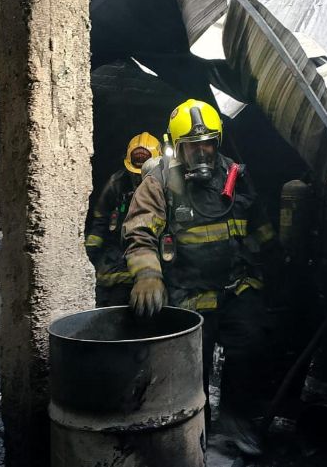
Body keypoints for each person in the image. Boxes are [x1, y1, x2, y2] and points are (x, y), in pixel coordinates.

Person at [123, 99, 275, 455]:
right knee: (193, 366)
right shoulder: (160, 180)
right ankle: (195, 431)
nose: (203, 151)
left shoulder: (236, 176)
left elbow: (259, 226)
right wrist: (148, 276)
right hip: (188, 295)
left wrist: (276, 265)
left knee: (251, 345)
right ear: (178, 147)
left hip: (236, 287)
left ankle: (236, 421)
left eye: (209, 142)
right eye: (193, 145)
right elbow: (139, 233)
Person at [85, 132, 161, 307]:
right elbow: (100, 222)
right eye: (135, 173)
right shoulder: (117, 184)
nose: (139, 179)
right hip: (115, 257)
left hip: (149, 256)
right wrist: (88, 258)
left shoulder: (167, 186)